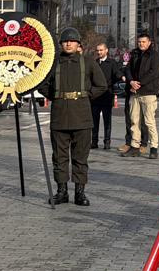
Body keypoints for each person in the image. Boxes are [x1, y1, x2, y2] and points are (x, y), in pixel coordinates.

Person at [40, 28, 109, 206]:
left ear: (78, 44)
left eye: (72, 41)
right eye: (65, 41)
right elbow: (42, 84)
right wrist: (55, 96)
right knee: (59, 157)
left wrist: (86, 96)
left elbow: (101, 85)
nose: (68, 43)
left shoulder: (88, 62)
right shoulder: (52, 63)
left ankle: (80, 192)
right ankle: (61, 191)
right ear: (61, 44)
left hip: (82, 116)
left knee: (80, 158)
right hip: (60, 116)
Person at [121, 32, 159, 159]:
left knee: (149, 122)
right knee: (134, 121)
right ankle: (135, 147)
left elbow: (154, 73)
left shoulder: (154, 55)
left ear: (149, 43)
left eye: (144, 42)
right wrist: (131, 82)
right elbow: (127, 69)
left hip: (148, 92)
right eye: (139, 42)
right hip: (134, 93)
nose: (141, 44)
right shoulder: (134, 54)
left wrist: (139, 83)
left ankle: (154, 148)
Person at [91, 42, 120, 150]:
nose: (99, 52)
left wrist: (121, 77)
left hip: (107, 95)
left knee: (107, 121)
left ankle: (107, 142)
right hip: (95, 97)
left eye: (101, 50)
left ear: (106, 50)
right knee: (94, 121)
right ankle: (94, 141)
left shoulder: (112, 63)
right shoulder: (94, 63)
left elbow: (116, 74)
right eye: (98, 50)